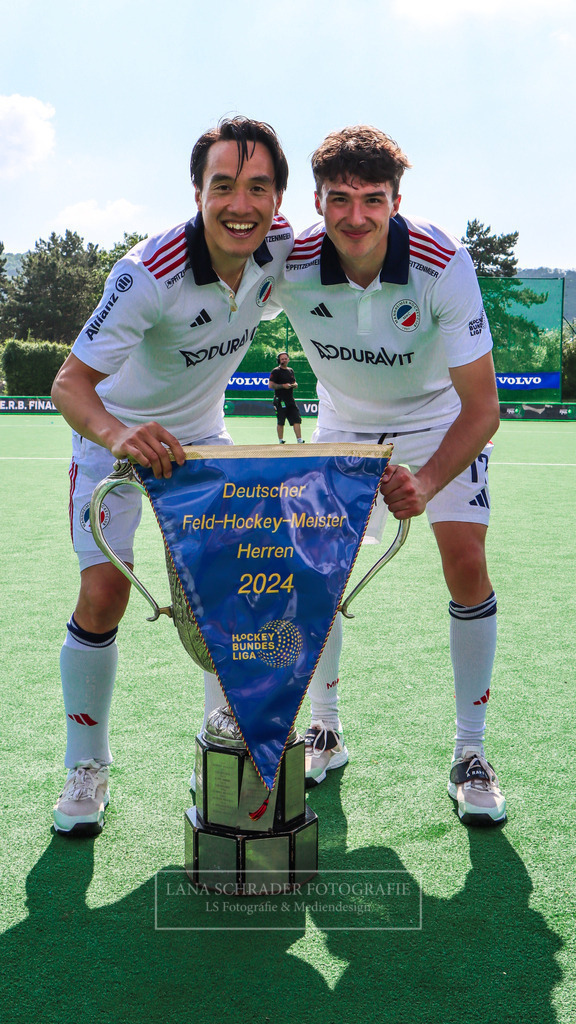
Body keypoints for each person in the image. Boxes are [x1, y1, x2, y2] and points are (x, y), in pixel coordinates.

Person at [50, 116, 292, 836]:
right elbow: (69, 384)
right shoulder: (145, 273)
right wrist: (122, 434)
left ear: (279, 199)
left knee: (228, 589)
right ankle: (85, 766)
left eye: (258, 188)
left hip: (202, 437)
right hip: (113, 436)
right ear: (198, 192)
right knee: (104, 594)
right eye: (223, 187)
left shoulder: (282, 251)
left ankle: (228, 742)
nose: (240, 205)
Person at [273, 125, 505, 825]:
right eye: (338, 200)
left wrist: (428, 480)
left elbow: (484, 406)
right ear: (316, 200)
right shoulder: (290, 259)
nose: (355, 217)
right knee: (317, 573)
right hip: (344, 422)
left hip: (440, 417)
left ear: (397, 200)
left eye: (373, 200)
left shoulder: (442, 261)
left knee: (465, 560)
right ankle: (326, 728)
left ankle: (471, 752)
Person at [268, 350, 304, 442]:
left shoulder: (290, 370)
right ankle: (281, 440)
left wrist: (295, 384)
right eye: (282, 359)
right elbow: (271, 385)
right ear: (279, 360)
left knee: (296, 419)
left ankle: (299, 440)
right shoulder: (276, 371)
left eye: (285, 359)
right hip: (280, 400)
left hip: (290, 400)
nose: (284, 360)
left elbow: (294, 381)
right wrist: (282, 386)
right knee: (281, 421)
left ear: (288, 359)